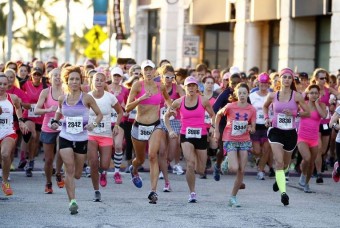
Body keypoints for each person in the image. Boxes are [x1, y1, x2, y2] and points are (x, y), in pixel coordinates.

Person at [50, 66, 103, 214]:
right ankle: (72, 201)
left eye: (77, 79)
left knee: (78, 174)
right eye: (71, 79)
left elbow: (99, 114)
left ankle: (69, 179)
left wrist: (93, 124)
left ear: (81, 81)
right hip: (65, 136)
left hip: (81, 139)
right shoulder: (62, 98)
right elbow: (59, 111)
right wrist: (55, 121)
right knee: (70, 168)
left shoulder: (87, 98)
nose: (74, 81)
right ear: (67, 81)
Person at [125, 60, 172, 204]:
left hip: (155, 125)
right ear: (142, 72)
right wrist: (140, 99)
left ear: (155, 71)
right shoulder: (137, 85)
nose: (148, 72)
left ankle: (153, 191)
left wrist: (172, 109)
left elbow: (168, 100)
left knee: (152, 156)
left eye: (151, 69)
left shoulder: (160, 86)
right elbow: (127, 107)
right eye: (146, 70)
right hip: (139, 126)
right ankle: (134, 169)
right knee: (139, 159)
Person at [263, 68, 310, 206]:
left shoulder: (297, 96)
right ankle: (283, 193)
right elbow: (265, 107)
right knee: (278, 161)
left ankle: (280, 178)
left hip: (290, 132)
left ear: (292, 80)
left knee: (285, 164)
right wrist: (267, 118)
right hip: (276, 131)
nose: (287, 80)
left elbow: (307, 112)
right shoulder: (272, 95)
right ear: (280, 79)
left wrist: (295, 114)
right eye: (285, 77)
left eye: (290, 78)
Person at [165, 76, 215, 203]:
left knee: (201, 169)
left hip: (201, 135)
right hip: (186, 135)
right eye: (189, 86)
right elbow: (166, 116)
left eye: (193, 85)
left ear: (197, 87)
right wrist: (170, 130)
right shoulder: (179, 102)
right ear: (185, 87)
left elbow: (213, 115)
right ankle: (192, 193)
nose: (191, 88)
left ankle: (198, 171)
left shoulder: (203, 100)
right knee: (190, 163)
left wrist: (213, 127)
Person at [214, 83, 256, 207]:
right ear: (236, 94)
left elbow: (253, 127)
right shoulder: (230, 106)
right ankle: (226, 161)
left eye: (244, 93)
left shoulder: (252, 109)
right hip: (230, 138)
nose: (242, 95)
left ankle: (233, 197)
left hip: (244, 140)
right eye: (240, 93)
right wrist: (216, 130)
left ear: (248, 94)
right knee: (234, 168)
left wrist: (250, 128)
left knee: (242, 170)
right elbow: (218, 115)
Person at [87, 72, 123, 202]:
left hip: (106, 134)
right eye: (97, 80)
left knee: (105, 164)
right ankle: (96, 190)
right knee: (94, 163)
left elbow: (120, 112)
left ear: (105, 82)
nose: (99, 82)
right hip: (91, 134)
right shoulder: (87, 96)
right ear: (93, 81)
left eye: (102, 80)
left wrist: (117, 125)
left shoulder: (110, 97)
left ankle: (104, 173)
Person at [34, 68, 65, 194]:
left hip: (63, 126)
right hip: (48, 127)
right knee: (48, 159)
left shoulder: (66, 92)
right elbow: (36, 110)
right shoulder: (46, 92)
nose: (58, 77)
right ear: (50, 78)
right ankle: (48, 182)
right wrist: (48, 110)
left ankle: (58, 172)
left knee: (61, 150)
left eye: (60, 75)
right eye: (55, 75)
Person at [0, 75, 29, 196]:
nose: (2, 86)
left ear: (8, 85)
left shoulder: (13, 98)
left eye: (4, 84)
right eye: (0, 84)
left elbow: (18, 108)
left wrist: (21, 121)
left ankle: (5, 182)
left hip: (8, 131)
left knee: (5, 154)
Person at [158, 64, 185, 192]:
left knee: (172, 151)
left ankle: (167, 163)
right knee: (162, 150)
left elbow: (185, 99)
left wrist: (174, 104)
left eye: (172, 77)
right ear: (162, 76)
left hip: (174, 121)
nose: (169, 79)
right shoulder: (158, 87)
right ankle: (163, 172)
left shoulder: (177, 88)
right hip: (160, 121)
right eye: (167, 77)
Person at [297, 85, 326, 192]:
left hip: (314, 139)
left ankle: (306, 184)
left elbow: (323, 115)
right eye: (311, 93)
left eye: (315, 93)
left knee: (311, 162)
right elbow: (297, 113)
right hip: (302, 137)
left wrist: (317, 103)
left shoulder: (322, 105)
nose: (313, 95)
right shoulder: (303, 105)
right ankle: (303, 175)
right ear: (308, 94)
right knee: (307, 158)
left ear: (319, 94)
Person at [21, 67, 47, 177]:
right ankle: (26, 159)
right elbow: (19, 95)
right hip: (28, 115)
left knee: (36, 140)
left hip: (40, 116)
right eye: (34, 74)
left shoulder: (45, 87)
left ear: (41, 76)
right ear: (31, 75)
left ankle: (31, 161)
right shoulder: (25, 84)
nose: (36, 76)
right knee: (32, 135)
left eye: (38, 75)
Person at [249, 73, 274, 180]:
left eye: (265, 83)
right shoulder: (252, 96)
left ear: (268, 84)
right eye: (261, 83)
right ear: (258, 83)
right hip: (255, 125)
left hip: (268, 125)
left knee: (266, 150)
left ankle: (260, 171)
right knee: (257, 151)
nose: (263, 85)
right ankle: (257, 158)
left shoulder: (272, 95)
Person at [109, 67, 129, 184]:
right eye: (114, 76)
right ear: (111, 76)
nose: (116, 78)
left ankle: (117, 172)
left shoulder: (125, 90)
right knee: (106, 147)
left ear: (121, 77)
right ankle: (103, 171)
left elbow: (128, 108)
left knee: (118, 146)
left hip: (119, 122)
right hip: (107, 122)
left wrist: (123, 106)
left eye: (118, 76)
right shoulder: (106, 88)